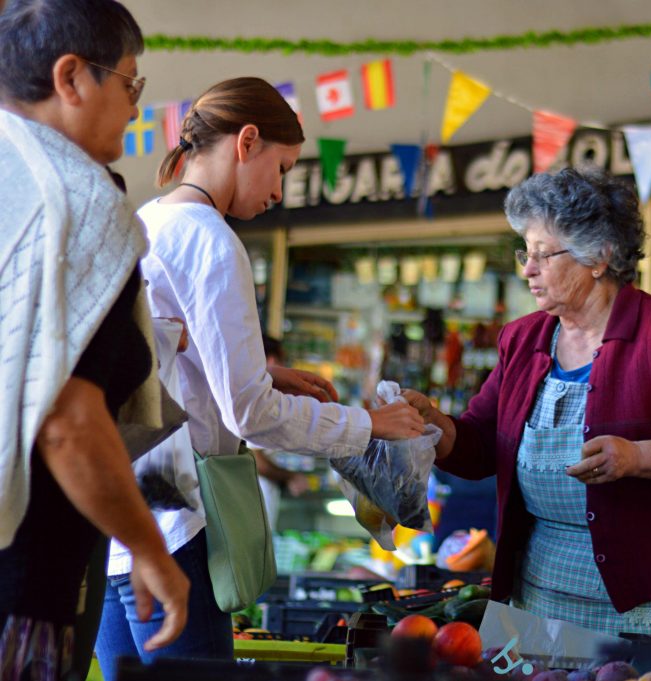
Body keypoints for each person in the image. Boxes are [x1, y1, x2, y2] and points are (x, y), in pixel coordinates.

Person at [96, 76, 424, 675]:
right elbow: (250, 413)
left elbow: (168, 365)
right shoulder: (213, 242)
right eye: (283, 168)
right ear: (247, 142)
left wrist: (270, 376)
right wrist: (367, 424)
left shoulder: (147, 222)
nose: (280, 191)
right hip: (181, 524)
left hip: (120, 522)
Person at [403, 168, 651, 649]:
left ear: (600, 256)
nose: (528, 269)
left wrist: (638, 458)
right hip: (544, 600)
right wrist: (432, 423)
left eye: (544, 254)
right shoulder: (522, 339)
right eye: (525, 252)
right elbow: (480, 445)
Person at [0, 1, 190, 678]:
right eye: (131, 84)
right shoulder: (74, 198)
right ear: (72, 77)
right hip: (22, 578)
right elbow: (68, 421)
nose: (138, 107)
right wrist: (150, 549)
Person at [253, 335, 311, 530]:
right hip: (254, 501)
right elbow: (256, 460)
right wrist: (290, 477)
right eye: (282, 362)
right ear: (271, 361)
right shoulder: (255, 398)